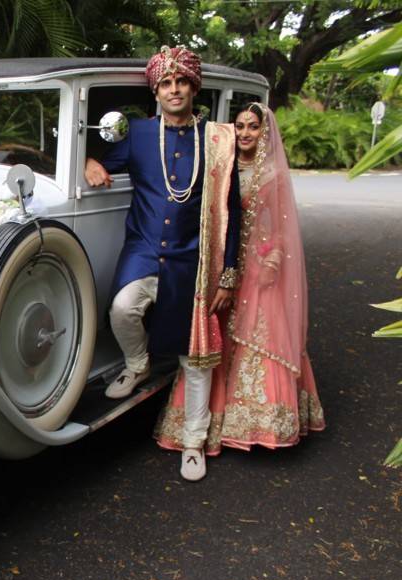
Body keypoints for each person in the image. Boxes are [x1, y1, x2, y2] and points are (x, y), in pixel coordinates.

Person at [85, 45, 242, 481]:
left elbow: (233, 210)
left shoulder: (216, 138)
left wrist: (227, 273)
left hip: (194, 258)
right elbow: (101, 160)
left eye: (182, 82)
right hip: (143, 249)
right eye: (166, 83)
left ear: (194, 87)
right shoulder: (136, 134)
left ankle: (193, 441)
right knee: (121, 308)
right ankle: (137, 365)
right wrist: (89, 161)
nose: (174, 90)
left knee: (195, 356)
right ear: (156, 90)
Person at [155, 103, 325, 456]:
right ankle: (206, 425)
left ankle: (256, 423)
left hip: (259, 271)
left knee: (255, 341)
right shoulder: (224, 165)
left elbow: (280, 227)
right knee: (213, 338)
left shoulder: (272, 174)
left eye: (252, 127)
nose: (245, 133)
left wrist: (274, 252)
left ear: (264, 132)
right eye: (240, 126)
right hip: (223, 264)